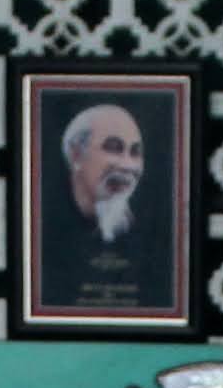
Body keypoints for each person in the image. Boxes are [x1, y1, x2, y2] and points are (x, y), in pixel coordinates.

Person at [35, 97, 174, 319]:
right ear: (76, 155)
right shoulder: (41, 234)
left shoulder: (159, 241)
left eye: (135, 152)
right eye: (113, 148)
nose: (128, 165)